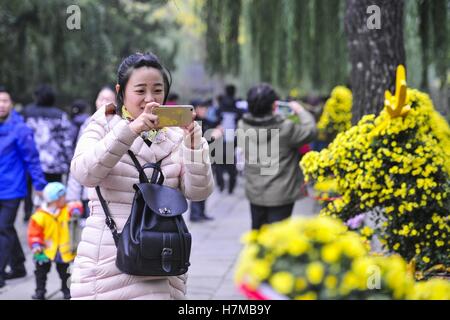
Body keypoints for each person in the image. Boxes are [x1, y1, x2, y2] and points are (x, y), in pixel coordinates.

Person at [69, 52, 214, 300]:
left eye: (157, 90)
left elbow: (198, 192)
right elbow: (85, 173)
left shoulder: (177, 135)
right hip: (108, 257)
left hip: (161, 257)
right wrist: (131, 130)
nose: (150, 99)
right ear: (121, 91)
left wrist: (193, 145)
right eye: (140, 90)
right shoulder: (102, 126)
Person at [237, 83, 316, 230]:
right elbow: (310, 131)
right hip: (281, 194)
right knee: (278, 239)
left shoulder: (242, 125)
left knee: (258, 235)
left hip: (255, 192)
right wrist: (299, 110)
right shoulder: (286, 128)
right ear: (274, 106)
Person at [0, 86, 47, 288]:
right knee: (7, 228)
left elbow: (32, 159)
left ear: (11, 104)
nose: (1, 105)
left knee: (3, 227)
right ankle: (18, 266)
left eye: (5, 101)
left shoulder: (20, 128)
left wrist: (40, 185)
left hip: (12, 187)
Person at [22, 84, 74, 221]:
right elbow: (66, 141)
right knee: (54, 189)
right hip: (54, 161)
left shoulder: (27, 113)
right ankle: (53, 213)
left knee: (28, 187)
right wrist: (70, 161)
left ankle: (28, 214)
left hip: (31, 161)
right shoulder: (60, 115)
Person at [66, 86, 116, 221]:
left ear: (116, 103)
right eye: (101, 99)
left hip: (111, 190)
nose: (104, 102)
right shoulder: (87, 124)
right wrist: (72, 196)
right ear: (96, 102)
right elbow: (78, 158)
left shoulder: (121, 126)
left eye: (108, 99)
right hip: (87, 189)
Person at [27, 182, 83, 300]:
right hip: (44, 249)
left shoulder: (66, 210)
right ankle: (40, 291)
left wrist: (76, 209)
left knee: (66, 273)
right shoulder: (39, 216)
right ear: (55, 200)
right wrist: (36, 244)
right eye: (63, 197)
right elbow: (34, 233)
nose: (65, 198)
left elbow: (76, 206)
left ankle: (67, 291)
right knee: (40, 272)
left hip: (63, 249)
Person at [189, 99, 222, 222]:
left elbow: (215, 124)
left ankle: (201, 213)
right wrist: (212, 137)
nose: (205, 111)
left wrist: (218, 127)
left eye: (206, 109)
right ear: (196, 109)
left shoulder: (205, 121)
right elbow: (198, 142)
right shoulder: (192, 123)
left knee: (205, 187)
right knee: (197, 187)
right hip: (196, 159)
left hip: (207, 158)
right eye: (203, 109)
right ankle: (195, 214)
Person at [215, 84, 243, 194]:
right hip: (232, 137)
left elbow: (216, 119)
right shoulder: (237, 107)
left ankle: (221, 184)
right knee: (231, 162)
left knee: (218, 162)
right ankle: (231, 187)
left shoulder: (220, 107)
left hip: (220, 136)